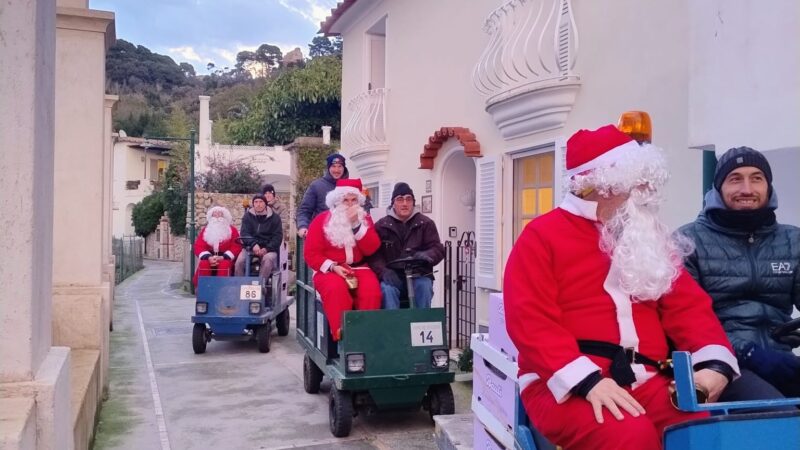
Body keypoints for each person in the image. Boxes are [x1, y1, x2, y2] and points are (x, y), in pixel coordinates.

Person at [504, 124, 740, 450]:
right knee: (629, 437)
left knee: (700, 435)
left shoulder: (647, 235)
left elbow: (688, 307)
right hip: (560, 382)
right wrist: (586, 382)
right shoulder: (542, 236)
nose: (645, 191)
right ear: (603, 186)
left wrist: (714, 364)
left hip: (646, 377)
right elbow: (529, 320)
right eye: (636, 183)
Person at [679, 146, 800, 400]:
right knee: (775, 414)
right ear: (718, 188)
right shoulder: (687, 241)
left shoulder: (793, 240)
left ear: (768, 186)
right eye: (735, 179)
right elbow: (686, 321)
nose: (747, 189)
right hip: (719, 364)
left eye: (757, 178)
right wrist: (748, 353)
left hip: (782, 359)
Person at [304, 178, 381, 340]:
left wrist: (356, 226)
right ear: (337, 201)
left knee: (371, 292)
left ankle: (366, 334)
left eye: (354, 200)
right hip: (329, 270)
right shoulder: (321, 221)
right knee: (335, 289)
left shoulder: (364, 219)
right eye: (345, 200)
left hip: (359, 268)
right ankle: (343, 334)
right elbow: (311, 254)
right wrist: (333, 267)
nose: (349, 204)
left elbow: (372, 247)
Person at [367, 182, 445, 309]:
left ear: (413, 202)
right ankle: (393, 326)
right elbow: (374, 255)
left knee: (424, 287)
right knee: (387, 290)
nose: (404, 203)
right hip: (392, 275)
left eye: (408, 199)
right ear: (393, 203)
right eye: (400, 199)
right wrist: (384, 271)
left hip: (419, 274)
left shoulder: (425, 223)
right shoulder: (381, 225)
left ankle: (422, 324)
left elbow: (437, 248)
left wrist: (427, 255)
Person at [296, 153, 349, 238]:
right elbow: (305, 210)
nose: (336, 170)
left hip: (346, 235)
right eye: (333, 166)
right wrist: (303, 226)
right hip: (322, 234)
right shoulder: (316, 186)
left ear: (344, 168)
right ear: (328, 168)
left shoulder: (351, 186)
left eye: (339, 166)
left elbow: (364, 209)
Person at [235, 194, 283, 279]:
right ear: (253, 204)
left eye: (261, 202)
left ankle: (261, 285)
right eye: (256, 202)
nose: (258, 204)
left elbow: (277, 237)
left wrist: (266, 249)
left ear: (265, 204)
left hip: (268, 249)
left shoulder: (275, 218)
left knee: (268, 260)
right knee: (239, 262)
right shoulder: (247, 216)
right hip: (250, 247)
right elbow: (244, 233)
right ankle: (240, 285)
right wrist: (253, 245)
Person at [193, 206, 242, 288]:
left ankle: (222, 289)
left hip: (225, 258)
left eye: (220, 214)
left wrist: (223, 257)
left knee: (224, 265)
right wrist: (208, 257)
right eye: (214, 214)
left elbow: (236, 246)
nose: (217, 216)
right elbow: (199, 246)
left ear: (224, 216)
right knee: (204, 264)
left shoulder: (232, 230)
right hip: (209, 257)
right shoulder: (206, 230)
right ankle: (203, 289)